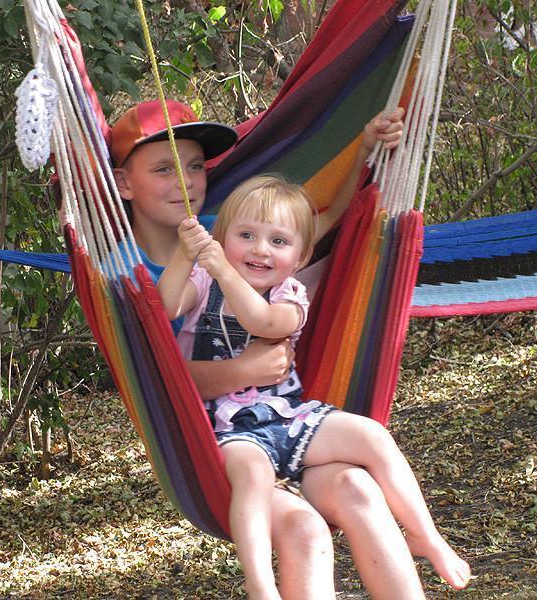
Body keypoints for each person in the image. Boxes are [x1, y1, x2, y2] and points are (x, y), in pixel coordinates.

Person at [110, 100, 449, 599]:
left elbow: (323, 221)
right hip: (218, 443)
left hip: (291, 422)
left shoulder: (229, 238)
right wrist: (238, 370)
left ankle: (425, 540)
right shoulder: (126, 269)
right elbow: (155, 375)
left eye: (196, 166)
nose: (185, 182)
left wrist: (366, 149)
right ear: (123, 183)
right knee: (305, 530)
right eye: (164, 169)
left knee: (360, 488)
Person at [156, 175, 472, 599]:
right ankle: (260, 584)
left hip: (287, 417)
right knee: (251, 476)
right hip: (228, 430)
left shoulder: (291, 296)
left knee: (372, 436)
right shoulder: (202, 281)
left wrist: (221, 269)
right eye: (246, 235)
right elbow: (163, 309)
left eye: (278, 241)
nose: (260, 249)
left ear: (301, 256)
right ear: (221, 237)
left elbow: (264, 323)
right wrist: (184, 255)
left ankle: (424, 535)